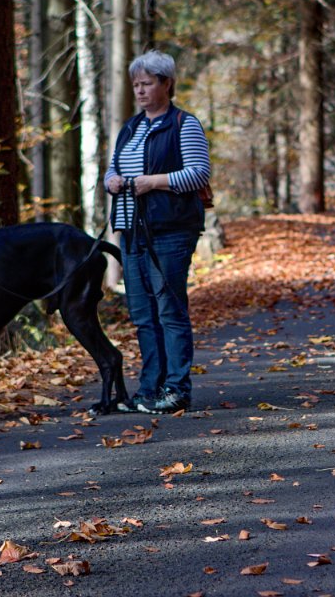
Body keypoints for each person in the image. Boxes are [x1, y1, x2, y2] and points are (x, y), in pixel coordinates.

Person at [104, 50, 211, 414]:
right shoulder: (131, 128)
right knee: (142, 314)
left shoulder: (184, 124)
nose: (140, 90)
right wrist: (114, 182)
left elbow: (198, 174)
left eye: (147, 83)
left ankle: (177, 388)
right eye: (136, 84)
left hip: (170, 230)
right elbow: (110, 170)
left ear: (167, 83)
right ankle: (149, 388)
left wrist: (154, 182)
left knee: (169, 310)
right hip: (132, 229)